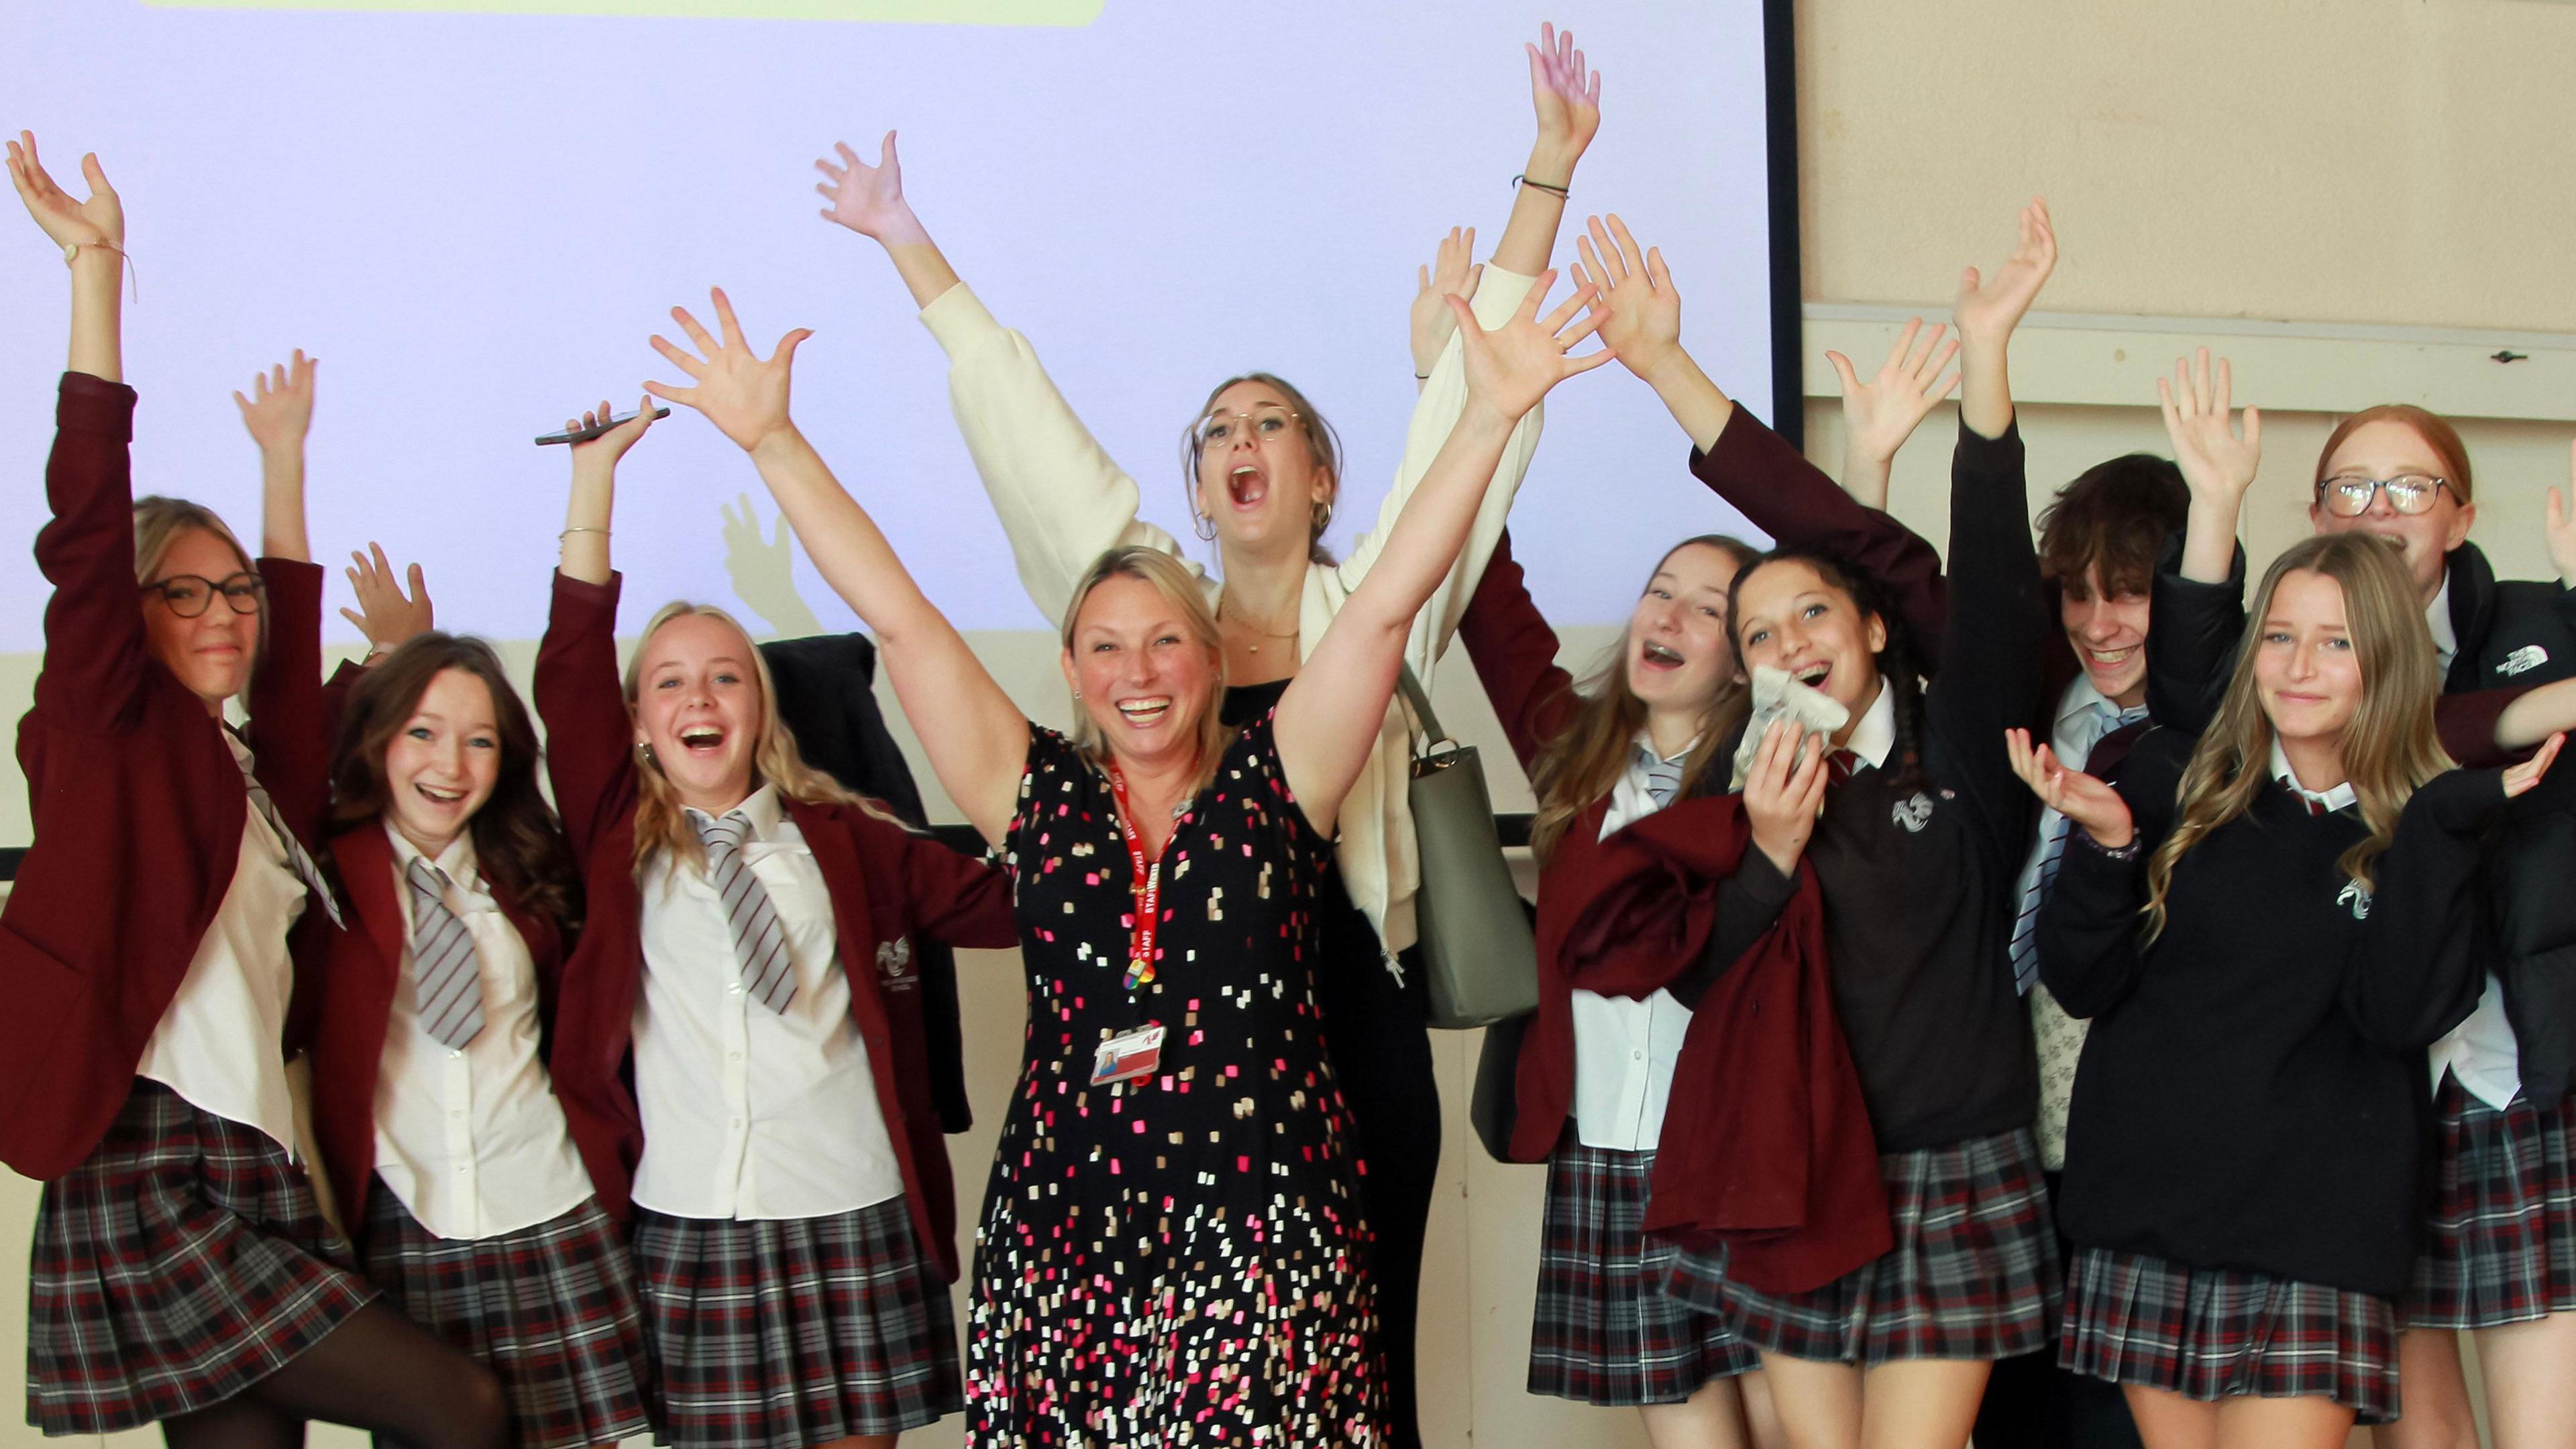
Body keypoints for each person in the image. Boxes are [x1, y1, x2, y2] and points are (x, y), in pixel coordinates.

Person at [636, 261, 1605, 1441]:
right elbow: (899, 613)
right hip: (1067, 1233)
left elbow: (1390, 602)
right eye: (1105, 648)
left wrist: (1492, 416)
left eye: (1162, 644)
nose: (1137, 674)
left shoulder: (1273, 784)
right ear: (1075, 672)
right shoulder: (1035, 795)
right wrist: (773, 440)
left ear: (1209, 661)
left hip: (1263, 1229)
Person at [0, 133, 506, 1449]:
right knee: (462, 1411)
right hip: (155, 1160)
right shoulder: (109, 729)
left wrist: (284, 463)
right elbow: (83, 540)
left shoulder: (243, 764)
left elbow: (284, 681)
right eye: (189, 590)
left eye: (234, 592)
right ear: (138, 608)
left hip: (254, 1156)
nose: (224, 612)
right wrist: (99, 273)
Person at [1564, 202, 2059, 1448]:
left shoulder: (1963, 746)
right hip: (1796, 1164)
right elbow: (1699, 977)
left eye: (1815, 618)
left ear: (1877, 628)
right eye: (1762, 633)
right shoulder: (1749, 782)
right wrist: (1771, 857)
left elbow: (1985, 574)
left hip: (1953, 1165)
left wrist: (1984, 371)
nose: (1791, 645)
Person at [535, 398, 1020, 1449]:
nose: (698, 696)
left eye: (724, 677)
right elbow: (568, 670)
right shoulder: (620, 838)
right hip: (692, 1220)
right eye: (669, 682)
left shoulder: (849, 838)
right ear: (642, 727)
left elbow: (1011, 906)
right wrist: (592, 485)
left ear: (758, 708)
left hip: (851, 1203)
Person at [2024, 530, 2564, 1447]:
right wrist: (2109, 849)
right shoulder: (2173, 778)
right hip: (2147, 1215)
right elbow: (2080, 981)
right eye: (2279, 637)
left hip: (2321, 1237)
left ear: (2386, 660)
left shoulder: (2424, 823)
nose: (2300, 666)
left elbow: (2399, 1016)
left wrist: (2436, 827)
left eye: (2337, 642)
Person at [2134, 361, 2576, 1449]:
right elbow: (2198, 710)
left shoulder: (2533, 626)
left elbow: (2446, 739)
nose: (2379, 511)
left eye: (2411, 488)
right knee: (2416, 1427)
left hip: (2504, 1073)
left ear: (2462, 514)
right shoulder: (2295, 644)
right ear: (2318, 512)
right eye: (2350, 488)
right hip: (2360, 1097)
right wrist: (2215, 505)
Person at [1456, 516, 1788, 1449]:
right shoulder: (1573, 750)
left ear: (1742, 659)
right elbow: (1491, 601)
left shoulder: (1770, 775)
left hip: (1736, 1164)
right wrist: (1466, 402)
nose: (1670, 615)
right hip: (1609, 1154)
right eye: (1661, 590)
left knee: (1793, 1429)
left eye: (1708, 608)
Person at [303, 633, 655, 1449]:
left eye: (481, 740)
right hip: (409, 1223)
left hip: (550, 1211)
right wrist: (379, 654)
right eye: (422, 732)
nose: (450, 765)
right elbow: (291, 740)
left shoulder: (529, 870)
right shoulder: (327, 869)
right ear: (378, 739)